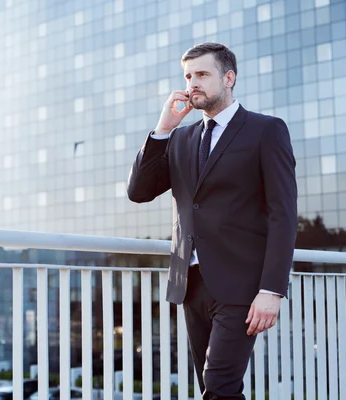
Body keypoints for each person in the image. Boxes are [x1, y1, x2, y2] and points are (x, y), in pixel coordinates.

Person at [127, 42, 297, 399]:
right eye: (188, 76)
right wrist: (162, 129)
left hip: (242, 285)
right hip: (190, 283)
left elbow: (283, 214)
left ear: (229, 78)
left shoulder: (265, 130)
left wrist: (272, 290)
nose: (193, 83)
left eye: (202, 74)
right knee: (216, 387)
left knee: (218, 386)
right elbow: (139, 191)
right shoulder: (181, 139)